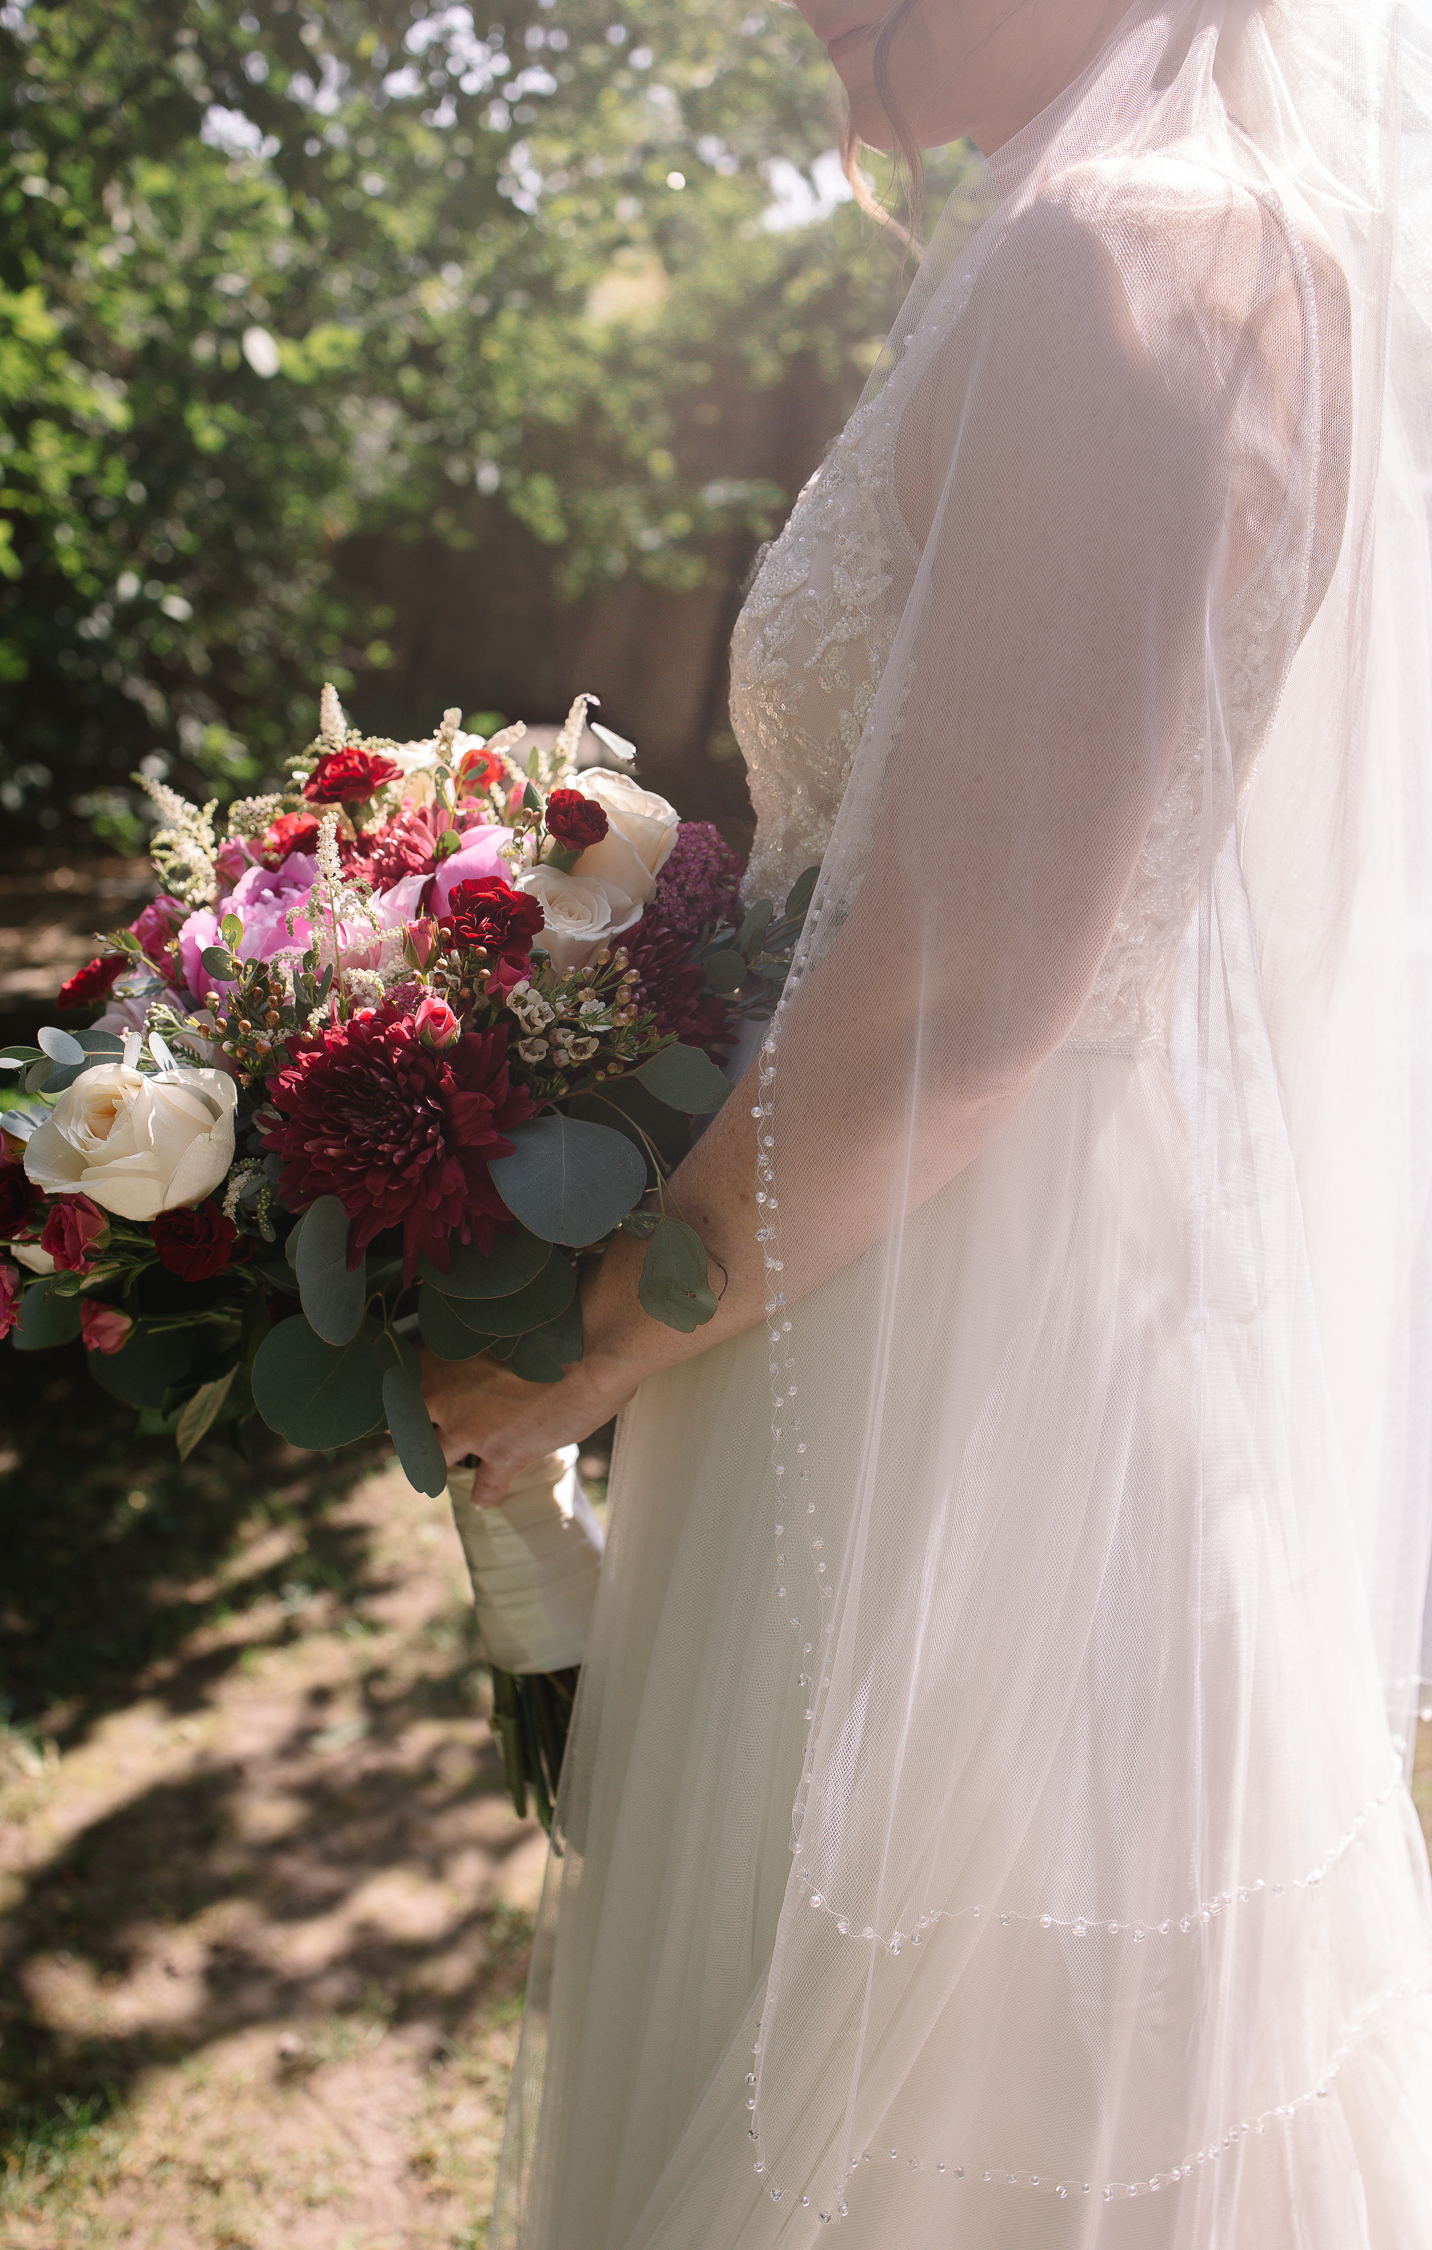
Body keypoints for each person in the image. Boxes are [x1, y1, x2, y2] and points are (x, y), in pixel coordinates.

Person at [419, 2, 1432, 2241]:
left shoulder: (1139, 258)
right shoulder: (1083, 243)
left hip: (979, 1385)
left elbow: (962, 988)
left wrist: (587, 1330)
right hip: (923, 1283)